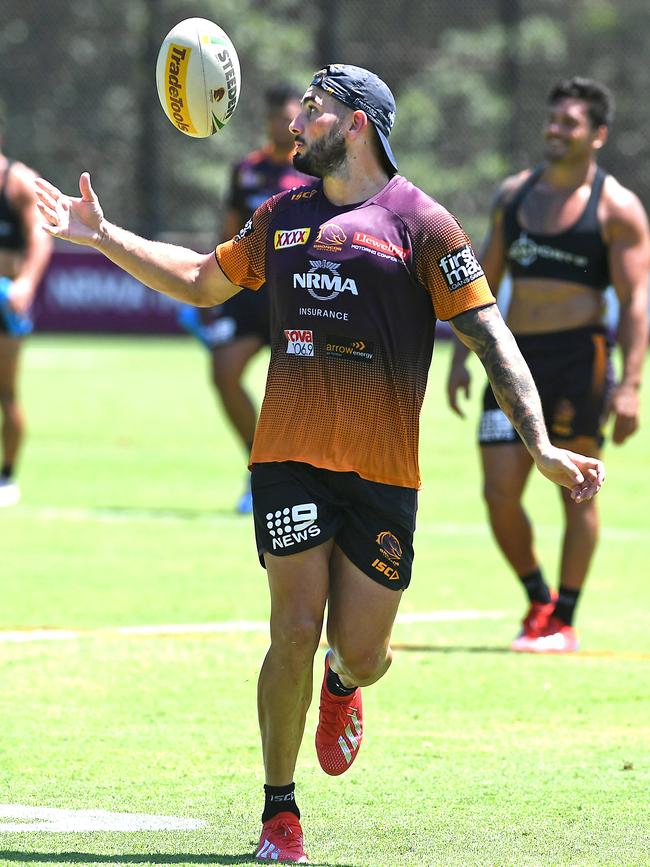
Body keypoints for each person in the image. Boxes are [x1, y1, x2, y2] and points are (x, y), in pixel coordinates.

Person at [35, 64, 604, 863]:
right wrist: (102, 235)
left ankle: (344, 685)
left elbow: (491, 336)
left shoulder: (423, 225)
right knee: (293, 626)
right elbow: (204, 280)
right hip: (289, 458)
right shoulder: (283, 214)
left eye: (315, 110)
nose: (297, 123)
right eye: (301, 109)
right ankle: (279, 812)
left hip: (382, 474)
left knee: (362, 651)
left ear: (359, 124)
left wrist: (540, 443)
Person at [446, 77, 649, 654]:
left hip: (578, 358)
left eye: (571, 123)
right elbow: (478, 285)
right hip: (513, 358)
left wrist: (631, 384)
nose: (556, 130)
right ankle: (538, 599)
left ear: (598, 136)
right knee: (498, 492)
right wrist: (462, 358)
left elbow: (637, 301)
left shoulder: (617, 208)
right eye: (553, 119)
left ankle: (565, 617)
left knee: (576, 488)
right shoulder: (514, 195)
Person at [177, 83, 313, 514]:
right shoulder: (245, 170)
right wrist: (213, 292)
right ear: (268, 120)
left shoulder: (312, 170)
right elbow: (229, 231)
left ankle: (302, 480)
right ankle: (259, 468)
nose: (284, 124)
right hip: (247, 293)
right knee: (223, 372)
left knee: (299, 394)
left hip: (295, 298)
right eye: (277, 117)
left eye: (290, 117)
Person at [0, 110, 53, 507]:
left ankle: (7, 476)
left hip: (5, 302)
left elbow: (40, 239)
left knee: (6, 392)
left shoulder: (15, 181)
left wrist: (25, 286)